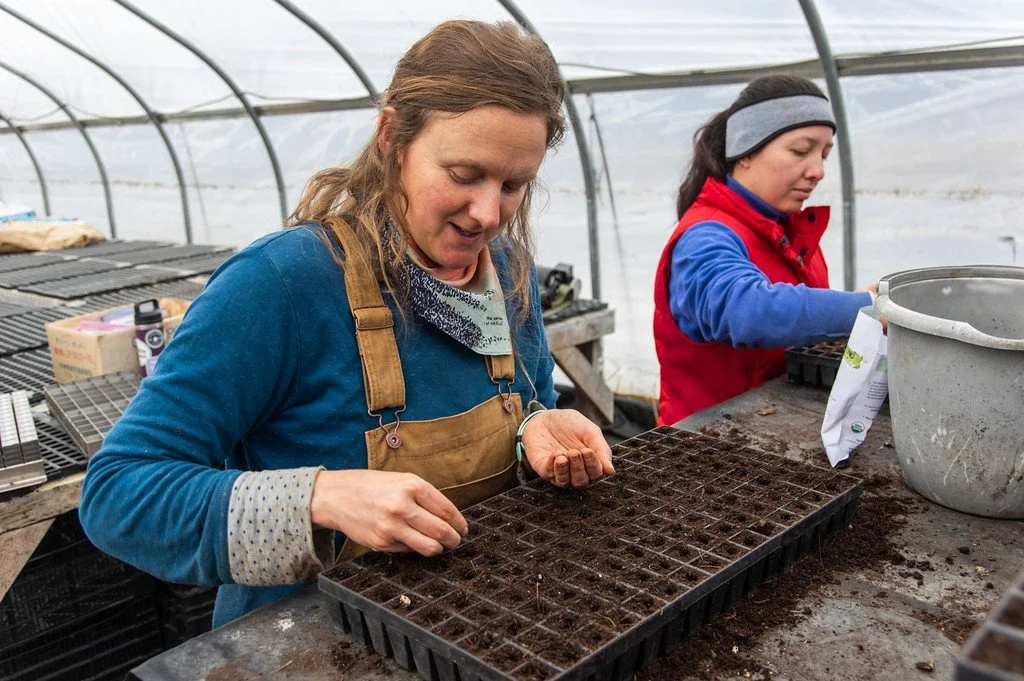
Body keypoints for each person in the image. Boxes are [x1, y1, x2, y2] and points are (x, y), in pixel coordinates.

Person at [79, 20, 614, 628]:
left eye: (515, 184)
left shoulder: (508, 272)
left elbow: (530, 401)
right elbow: (119, 494)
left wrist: (541, 428)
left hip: (482, 626)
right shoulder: (280, 285)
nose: (489, 213)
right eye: (464, 176)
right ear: (392, 138)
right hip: (312, 645)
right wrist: (318, 497)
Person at [653, 75, 876, 426]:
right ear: (746, 151)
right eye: (801, 151)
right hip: (704, 448)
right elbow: (746, 309)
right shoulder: (706, 236)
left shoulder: (789, 234)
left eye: (824, 154)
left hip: (772, 436)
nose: (817, 171)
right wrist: (867, 308)